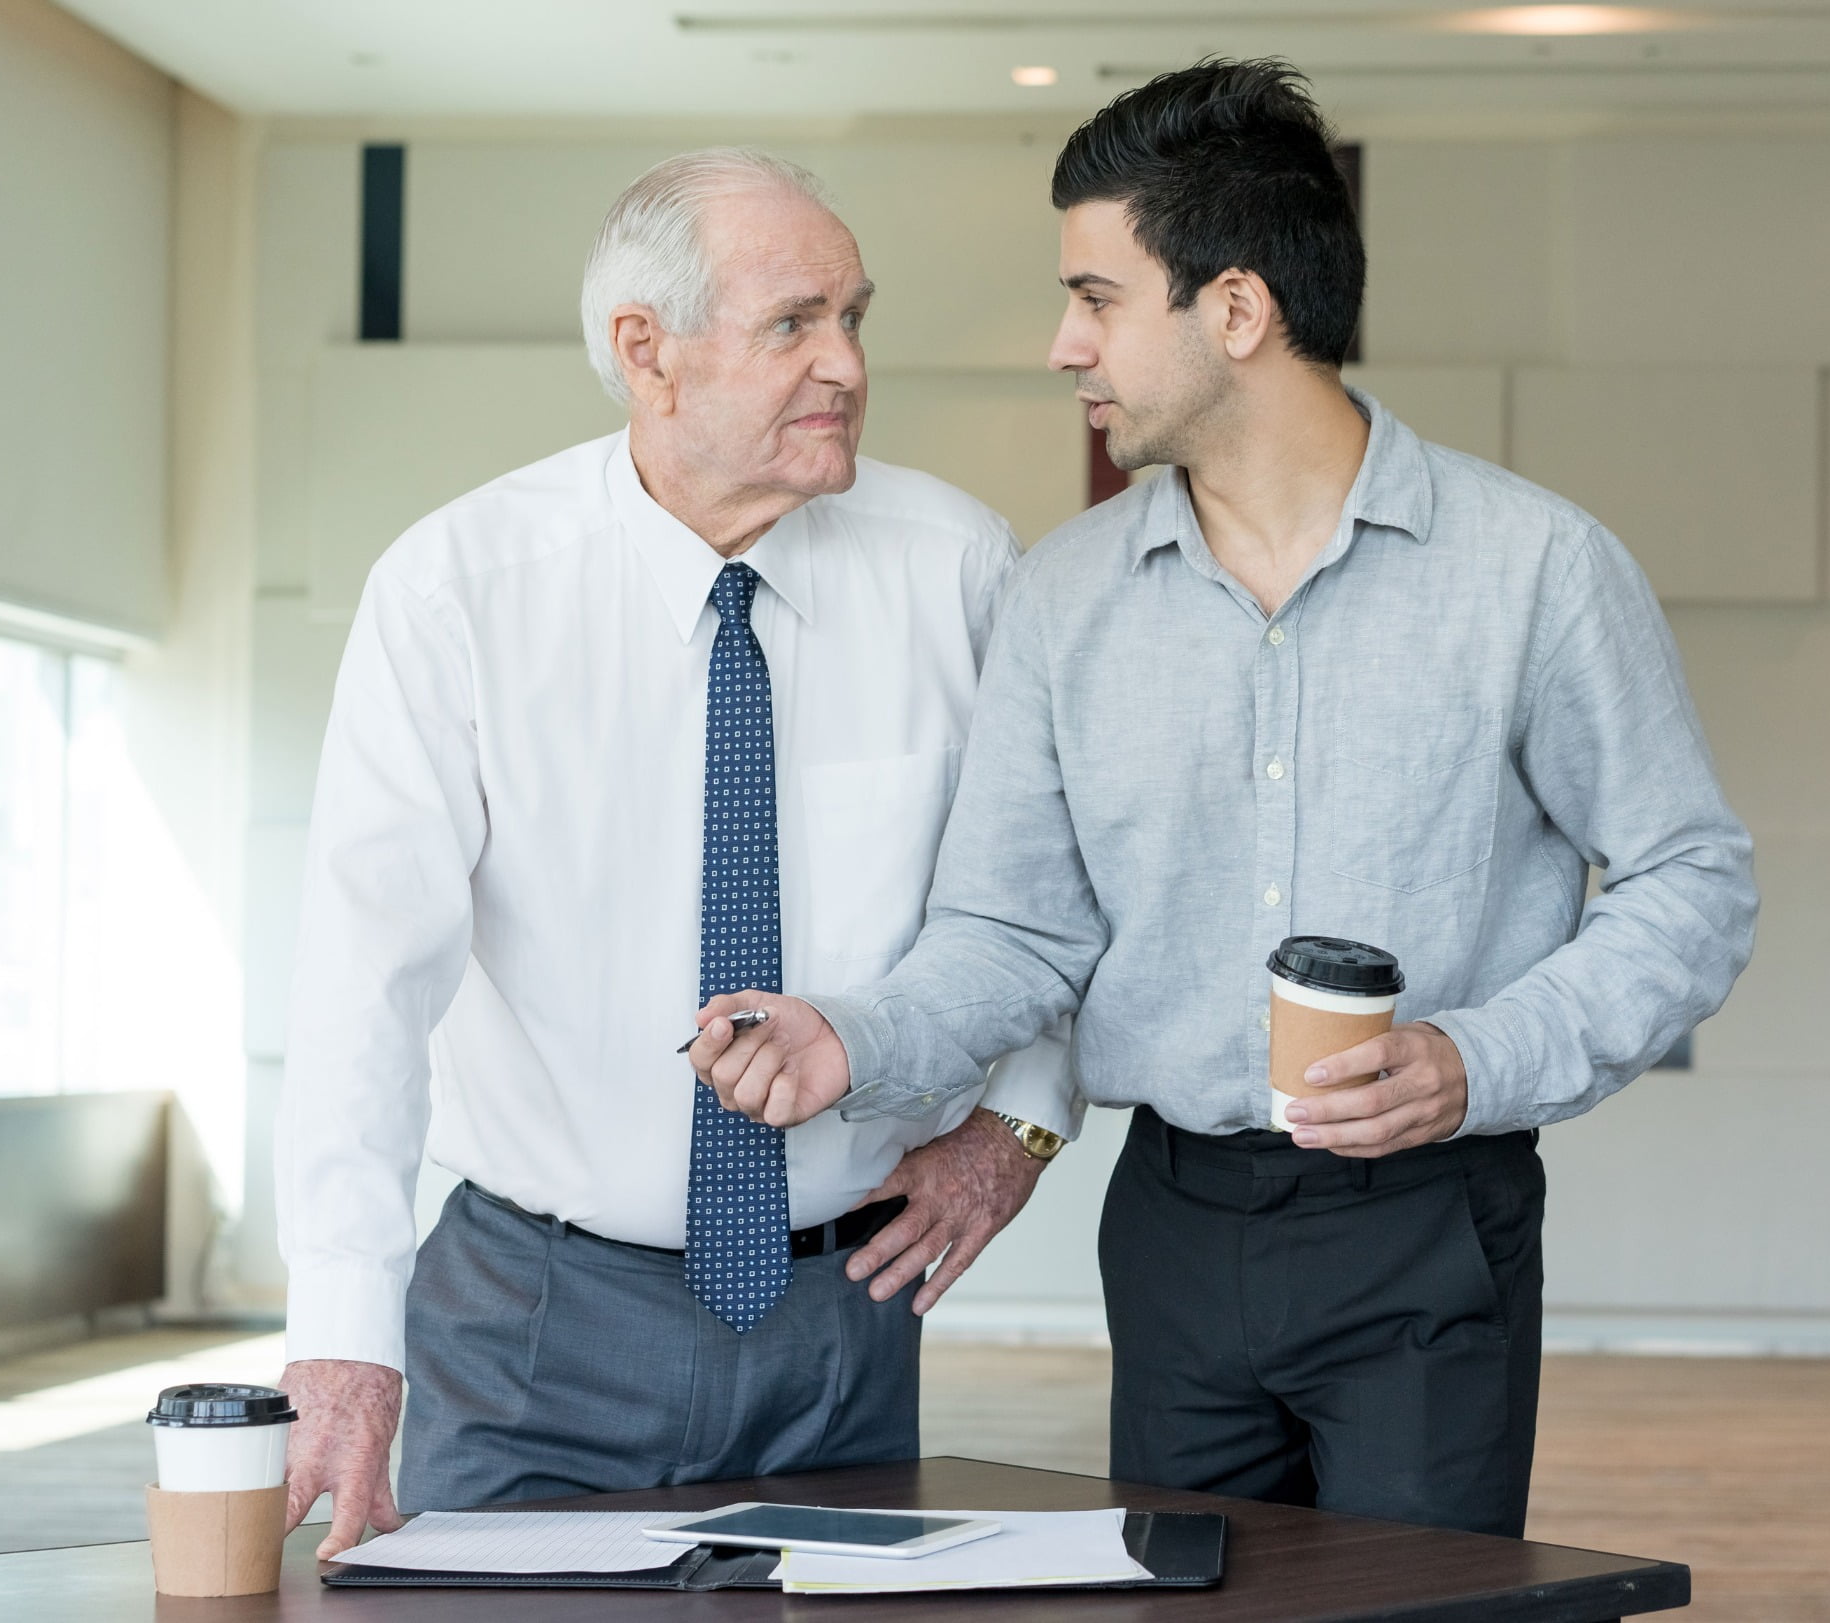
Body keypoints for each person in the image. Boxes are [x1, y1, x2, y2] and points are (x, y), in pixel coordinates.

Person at [689, 62, 1759, 1538]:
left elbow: (1692, 882)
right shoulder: (1065, 600)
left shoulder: (1534, 572)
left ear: (1238, 311)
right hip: (1177, 1228)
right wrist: (849, 1035)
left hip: (1428, 1222)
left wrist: (1481, 1057)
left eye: (1097, 296)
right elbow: (1012, 933)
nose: (1066, 345)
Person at [274, 147, 1076, 1561]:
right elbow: (362, 981)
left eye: (855, 317)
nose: (845, 364)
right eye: (794, 324)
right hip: (531, 1324)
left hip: (845, 1320)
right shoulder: (460, 590)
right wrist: (344, 1330)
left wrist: (1014, 1128)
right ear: (648, 353)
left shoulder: (955, 566)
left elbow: (1044, 895)